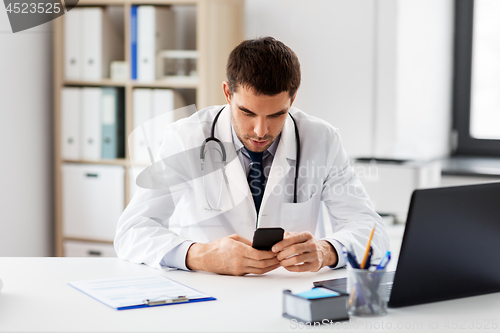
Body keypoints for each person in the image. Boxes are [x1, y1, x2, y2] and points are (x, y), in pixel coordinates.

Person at [115, 37, 389, 276]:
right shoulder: (185, 138)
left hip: (289, 296)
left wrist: (326, 250)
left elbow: (371, 230)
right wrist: (201, 256)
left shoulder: (322, 140)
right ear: (227, 93)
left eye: (276, 114)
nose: (260, 130)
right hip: (208, 294)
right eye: (247, 113)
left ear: (292, 100)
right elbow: (132, 232)